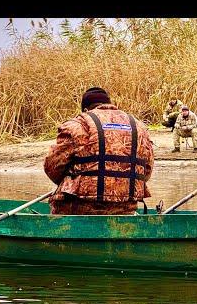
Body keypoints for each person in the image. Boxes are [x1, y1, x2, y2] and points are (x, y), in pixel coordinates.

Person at [42, 87, 154, 215]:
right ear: (109, 104)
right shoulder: (139, 127)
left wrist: (68, 181)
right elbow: (147, 170)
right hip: (125, 208)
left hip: (79, 207)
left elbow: (52, 167)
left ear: (85, 109)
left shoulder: (77, 125)